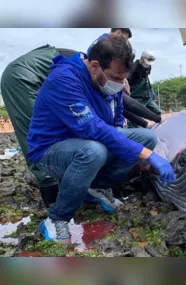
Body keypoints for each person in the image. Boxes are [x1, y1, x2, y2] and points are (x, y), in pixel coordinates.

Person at [27, 36, 176, 244]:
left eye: (122, 79)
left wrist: (140, 147)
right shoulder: (64, 79)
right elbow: (92, 128)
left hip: (89, 141)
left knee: (146, 137)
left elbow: (115, 123)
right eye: (115, 78)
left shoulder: (107, 83)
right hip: (50, 150)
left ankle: (95, 187)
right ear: (95, 65)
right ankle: (56, 218)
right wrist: (147, 155)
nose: (118, 84)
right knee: (93, 151)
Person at [1, 45, 82, 208]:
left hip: (39, 81)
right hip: (21, 79)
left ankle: (62, 193)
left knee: (60, 133)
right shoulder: (82, 66)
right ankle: (53, 205)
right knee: (38, 137)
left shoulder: (83, 66)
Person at [88, 28, 132, 96]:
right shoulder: (106, 43)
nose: (124, 44)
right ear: (119, 32)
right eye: (124, 40)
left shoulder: (102, 40)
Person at [127, 50, 161, 128]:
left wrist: (150, 90)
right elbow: (127, 82)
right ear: (142, 58)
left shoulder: (148, 67)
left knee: (157, 112)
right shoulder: (133, 68)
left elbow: (146, 79)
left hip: (146, 97)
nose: (147, 65)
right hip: (136, 98)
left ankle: (156, 130)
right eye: (146, 62)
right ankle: (135, 135)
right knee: (133, 121)